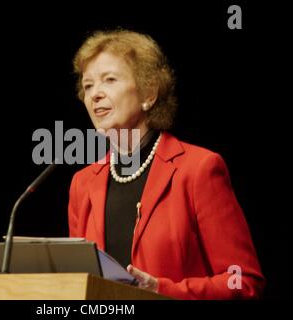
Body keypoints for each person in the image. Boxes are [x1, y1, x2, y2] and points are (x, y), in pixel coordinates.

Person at [67, 29, 265, 299]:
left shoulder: (199, 169)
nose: (95, 95)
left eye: (109, 80)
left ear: (149, 93)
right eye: (88, 85)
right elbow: (80, 283)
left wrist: (162, 290)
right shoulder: (83, 183)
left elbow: (243, 281)